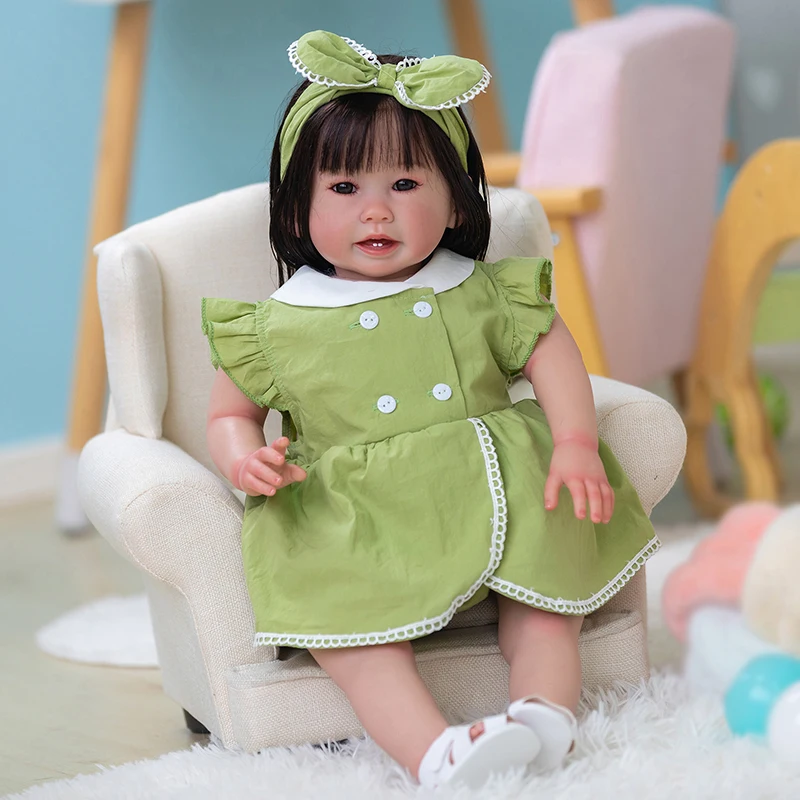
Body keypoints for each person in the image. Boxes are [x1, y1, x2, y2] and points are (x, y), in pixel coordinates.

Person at [202, 30, 660, 789]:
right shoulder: (279, 323)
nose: (376, 212)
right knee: (352, 638)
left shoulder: (479, 288)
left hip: (497, 485)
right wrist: (242, 458)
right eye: (344, 189)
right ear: (297, 211)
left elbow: (550, 352)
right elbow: (230, 415)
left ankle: (544, 712)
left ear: (454, 203)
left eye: (405, 184)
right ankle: (435, 752)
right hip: (360, 514)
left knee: (549, 597)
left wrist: (575, 441)